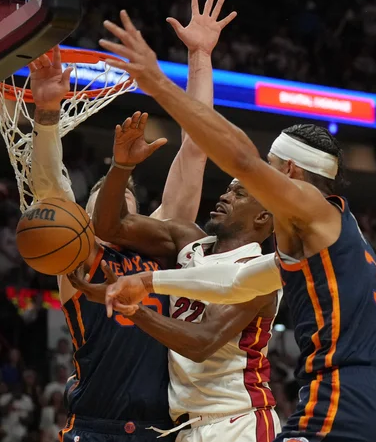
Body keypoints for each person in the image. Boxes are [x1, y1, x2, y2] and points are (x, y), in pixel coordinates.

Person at [93, 3, 376, 442]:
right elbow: (237, 284)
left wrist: (157, 83)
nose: (258, 176)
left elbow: (239, 157)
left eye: (270, 168)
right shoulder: (327, 238)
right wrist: (150, 286)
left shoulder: (309, 203)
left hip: (349, 397)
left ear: (288, 171)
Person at [28, 0, 234, 441]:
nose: (112, 197)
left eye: (123, 198)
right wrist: (46, 114)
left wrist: (200, 56)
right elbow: (49, 190)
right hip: (95, 428)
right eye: (98, 197)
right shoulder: (79, 255)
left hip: (160, 430)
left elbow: (196, 148)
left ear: (142, 213)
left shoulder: (162, 243)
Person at [69, 108, 282, 441]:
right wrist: (121, 166)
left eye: (239, 194)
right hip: (184, 427)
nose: (225, 195)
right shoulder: (187, 240)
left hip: (239, 422)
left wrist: (134, 309)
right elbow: (109, 225)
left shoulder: (259, 273)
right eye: (228, 189)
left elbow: (202, 343)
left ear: (263, 217)